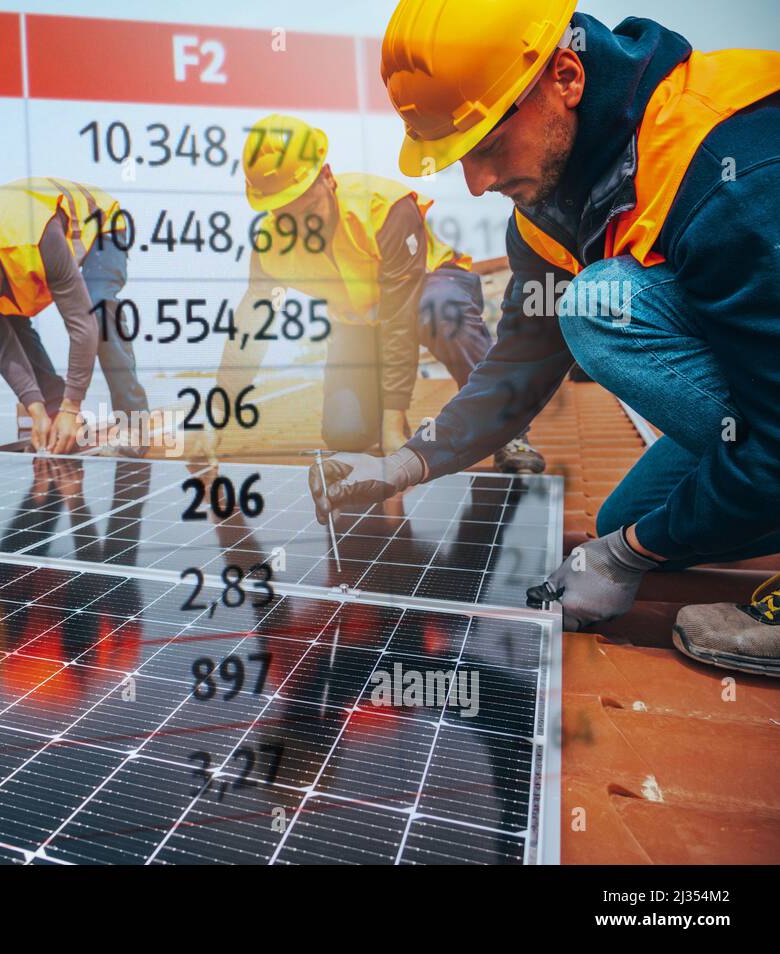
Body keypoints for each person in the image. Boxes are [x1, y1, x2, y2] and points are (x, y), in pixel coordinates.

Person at [314, 0, 780, 674]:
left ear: (566, 77)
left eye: (487, 146)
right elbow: (519, 369)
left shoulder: (727, 164)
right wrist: (407, 463)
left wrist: (630, 557)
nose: (476, 185)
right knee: (632, 513)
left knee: (600, 306)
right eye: (456, 158)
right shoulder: (546, 210)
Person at [214, 113, 544, 471]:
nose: (300, 226)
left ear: (327, 177)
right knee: (345, 434)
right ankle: (382, 419)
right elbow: (252, 325)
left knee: (437, 311)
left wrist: (393, 420)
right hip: (360, 321)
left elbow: (398, 318)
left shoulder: (383, 207)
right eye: (285, 215)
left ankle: (509, 431)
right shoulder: (272, 244)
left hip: (430, 289)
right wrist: (217, 412)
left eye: (307, 209)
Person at [0, 177, 149, 455]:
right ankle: (54, 418)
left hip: (99, 227)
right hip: (16, 251)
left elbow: (82, 325)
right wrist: (37, 410)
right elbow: (4, 346)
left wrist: (71, 407)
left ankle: (135, 423)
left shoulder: (36, 237)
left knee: (98, 309)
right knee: (5, 315)